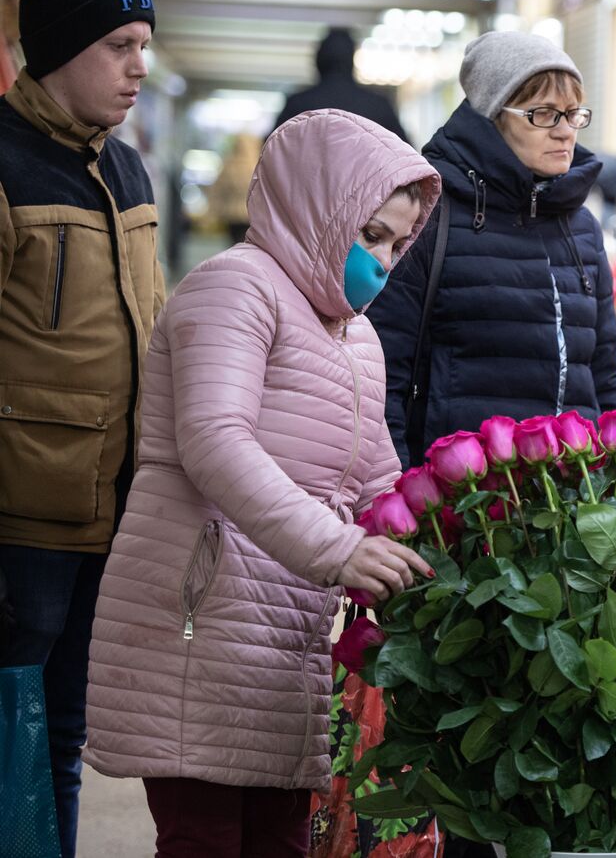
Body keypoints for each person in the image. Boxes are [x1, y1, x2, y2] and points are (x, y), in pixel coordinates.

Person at [82, 109, 442, 857]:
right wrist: (339, 550)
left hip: (286, 640)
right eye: (369, 233)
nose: (383, 259)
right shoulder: (235, 289)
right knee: (206, 840)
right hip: (203, 623)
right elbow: (214, 441)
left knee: (279, 841)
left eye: (398, 244)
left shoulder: (357, 337)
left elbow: (376, 475)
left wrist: (449, 541)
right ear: (320, 209)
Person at [0, 0, 163, 858]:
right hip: (20, 522)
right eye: (118, 45)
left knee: (64, 740)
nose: (138, 66)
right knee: (6, 741)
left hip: (109, 516)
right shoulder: (4, 164)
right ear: (58, 48)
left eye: (142, 45)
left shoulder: (130, 172)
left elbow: (154, 326)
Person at [370, 31, 616, 468]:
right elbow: (384, 371)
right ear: (493, 116)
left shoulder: (581, 226)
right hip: (464, 507)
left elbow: (603, 373)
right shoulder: (433, 215)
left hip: (573, 504)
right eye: (544, 115)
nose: (565, 132)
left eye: (572, 114)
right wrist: (398, 490)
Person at [273, 28, 408, 141]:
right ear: (352, 60)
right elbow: (406, 156)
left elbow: (271, 150)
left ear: (318, 60)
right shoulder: (378, 106)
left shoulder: (297, 105)